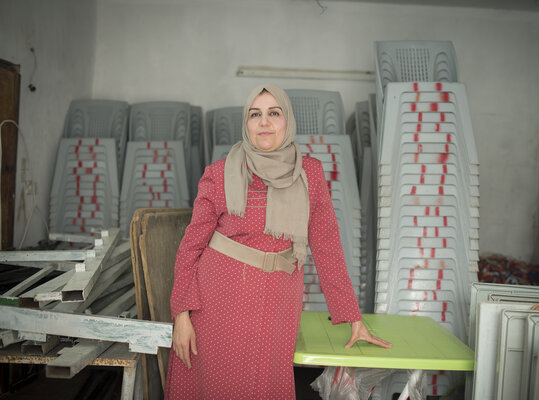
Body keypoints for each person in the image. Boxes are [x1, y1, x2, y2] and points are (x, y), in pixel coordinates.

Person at [165, 84, 391, 399]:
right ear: (246, 123)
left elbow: (327, 249)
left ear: (288, 121)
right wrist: (181, 315)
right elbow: (191, 247)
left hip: (278, 303)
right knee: (218, 387)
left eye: (274, 113)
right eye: (255, 115)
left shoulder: (309, 174)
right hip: (220, 303)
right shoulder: (219, 174)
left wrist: (352, 316)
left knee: (264, 387)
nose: (264, 122)